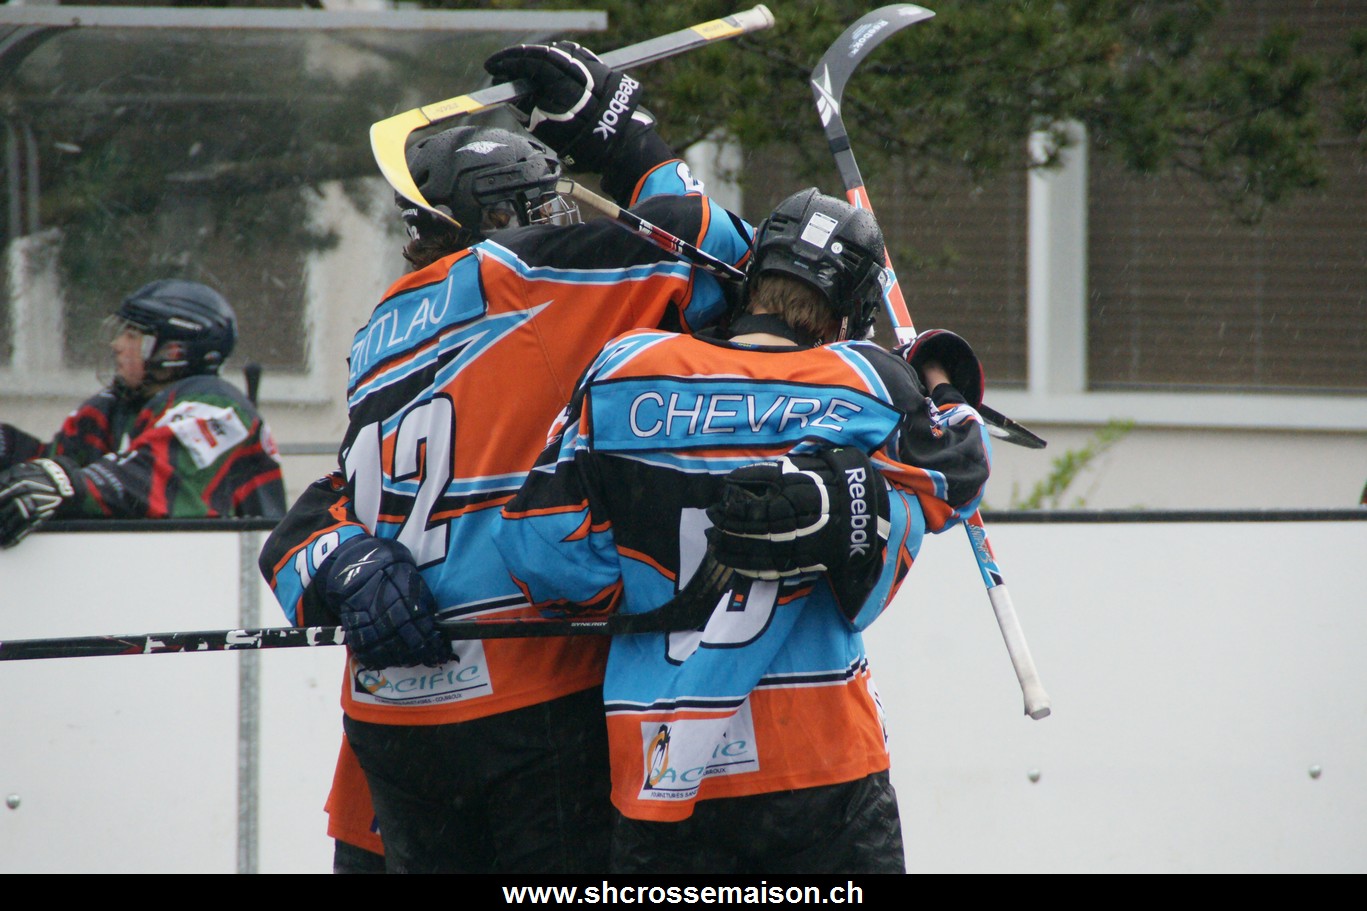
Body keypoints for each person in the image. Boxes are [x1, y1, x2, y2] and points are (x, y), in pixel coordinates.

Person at [257, 41, 755, 874]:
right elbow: (724, 257)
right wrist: (620, 135)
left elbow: (326, 506)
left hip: (391, 722)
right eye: (547, 202)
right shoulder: (537, 275)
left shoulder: (377, 332)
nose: (564, 217)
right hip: (532, 697)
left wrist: (342, 560)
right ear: (502, 215)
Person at [493, 188, 993, 874]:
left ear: (753, 278)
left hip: (657, 763)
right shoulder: (866, 380)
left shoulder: (623, 369)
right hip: (819, 762)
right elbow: (959, 471)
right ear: (850, 309)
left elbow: (542, 556)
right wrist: (940, 381)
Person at [0, 279, 285, 546]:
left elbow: (151, 484)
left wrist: (67, 485)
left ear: (173, 352)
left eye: (133, 335)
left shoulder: (219, 408)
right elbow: (58, 464)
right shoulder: (116, 406)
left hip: (225, 575)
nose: (117, 345)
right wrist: (8, 449)